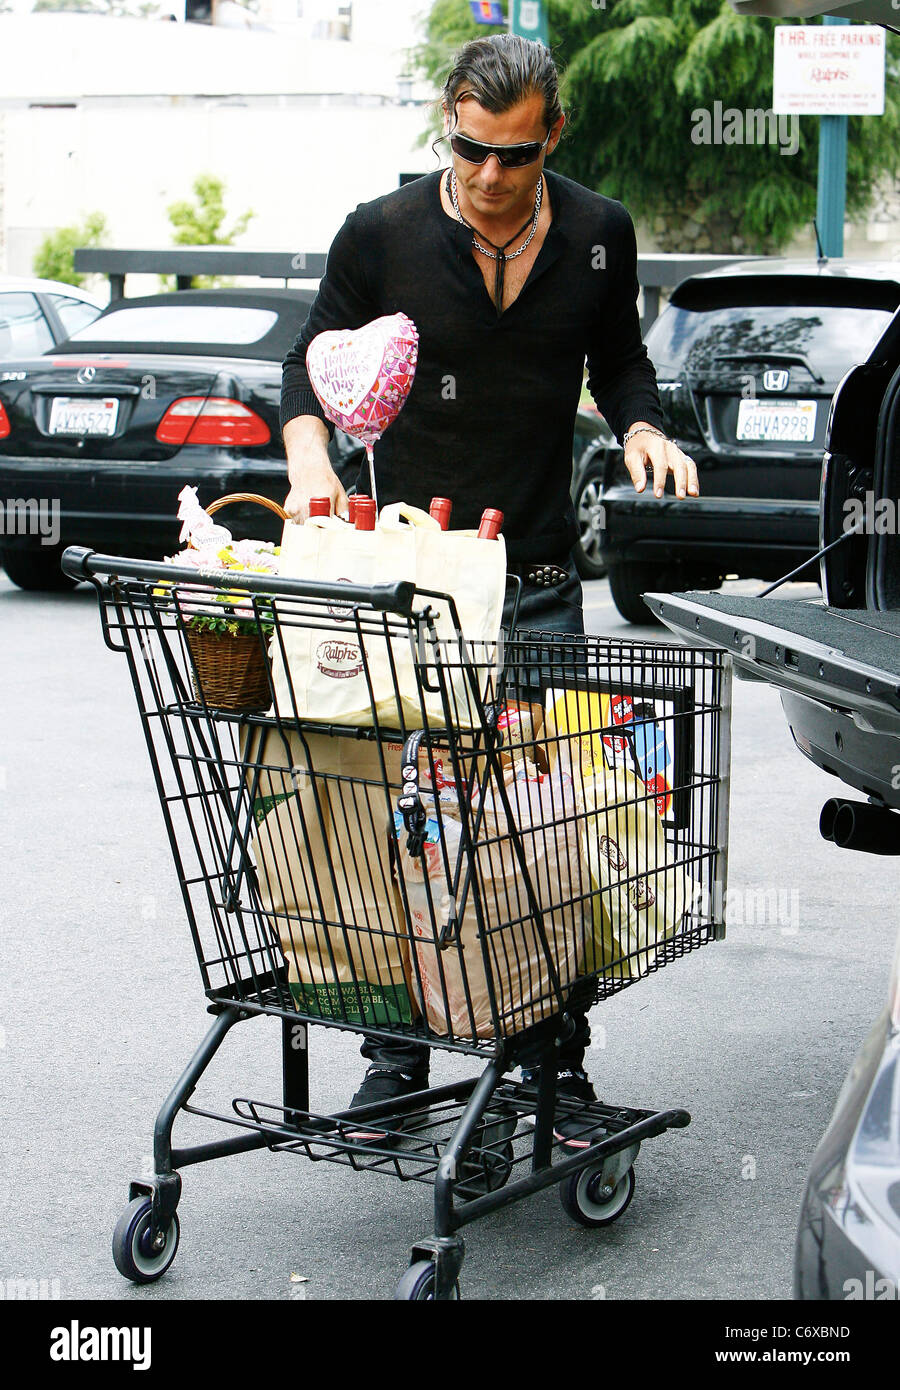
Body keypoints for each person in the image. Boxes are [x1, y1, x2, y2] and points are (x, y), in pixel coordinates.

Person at [280, 33, 698, 1146]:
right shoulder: (383, 231)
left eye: (513, 155)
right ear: (447, 130)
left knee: (545, 830)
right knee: (395, 820)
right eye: (469, 150)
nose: (489, 176)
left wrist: (645, 424)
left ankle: (551, 1065)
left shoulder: (600, 233)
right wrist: (312, 462)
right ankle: (393, 1066)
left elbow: (620, 361)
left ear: (551, 135)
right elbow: (307, 357)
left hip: (540, 577)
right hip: (406, 583)